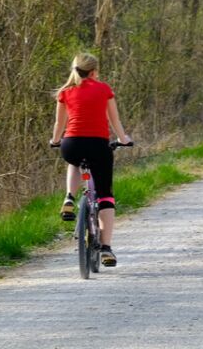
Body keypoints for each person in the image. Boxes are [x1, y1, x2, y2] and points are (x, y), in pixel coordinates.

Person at [50, 53, 132, 267]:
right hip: (98, 146)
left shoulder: (65, 92)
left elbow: (60, 124)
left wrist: (55, 140)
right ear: (94, 71)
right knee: (105, 196)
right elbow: (115, 121)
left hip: (71, 144)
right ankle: (106, 248)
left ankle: (69, 197)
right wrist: (124, 140)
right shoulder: (104, 89)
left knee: (74, 162)